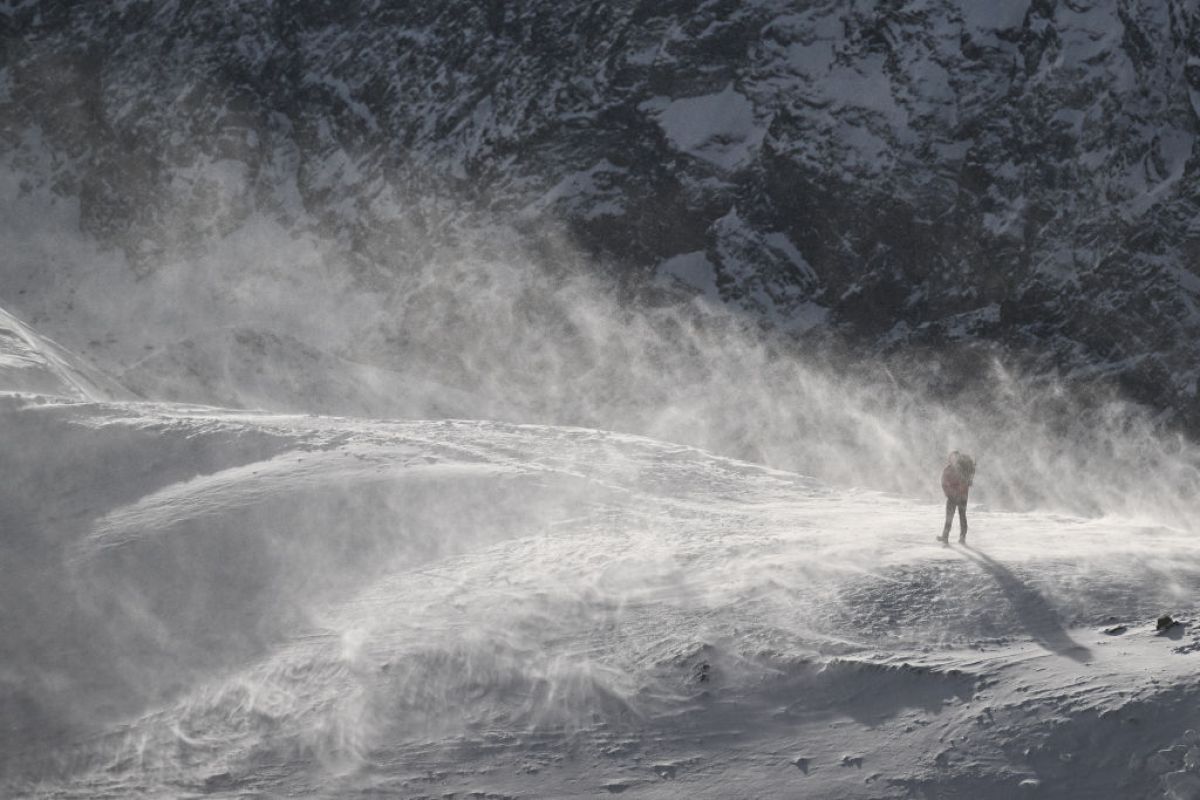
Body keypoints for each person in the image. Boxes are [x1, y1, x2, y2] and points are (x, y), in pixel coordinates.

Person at [939, 450, 975, 543]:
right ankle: (947, 536)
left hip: (959, 496)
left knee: (959, 516)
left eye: (955, 458)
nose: (953, 459)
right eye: (952, 458)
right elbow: (944, 483)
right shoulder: (949, 469)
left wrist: (954, 492)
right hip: (955, 497)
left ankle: (960, 537)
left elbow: (965, 483)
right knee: (953, 516)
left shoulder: (962, 469)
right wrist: (949, 493)